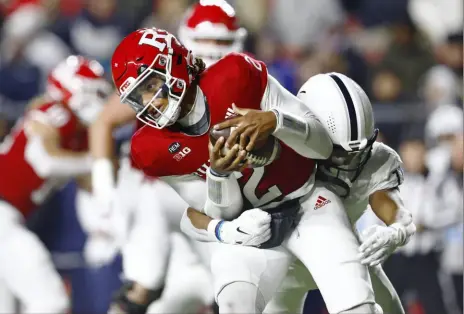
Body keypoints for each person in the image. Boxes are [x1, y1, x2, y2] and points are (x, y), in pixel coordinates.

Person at [112, 27, 384, 314]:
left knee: (357, 306)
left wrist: (275, 121)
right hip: (253, 231)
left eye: (152, 84)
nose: (150, 101)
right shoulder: (151, 148)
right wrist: (219, 174)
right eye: (139, 95)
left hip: (309, 202)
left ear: (175, 63)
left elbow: (321, 147)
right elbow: (221, 213)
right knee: (233, 305)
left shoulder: (236, 75)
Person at [88, 2, 250, 312]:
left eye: (221, 43)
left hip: (209, 192)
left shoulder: (244, 76)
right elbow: (104, 121)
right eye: (205, 42)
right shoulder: (164, 75)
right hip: (158, 187)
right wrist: (106, 197)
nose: (212, 51)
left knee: (213, 287)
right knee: (149, 286)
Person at [263, 74, 416, 314]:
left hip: (349, 254)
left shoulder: (373, 158)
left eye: (359, 151)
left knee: (391, 310)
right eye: (339, 153)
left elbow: (392, 207)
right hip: (284, 267)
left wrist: (395, 231)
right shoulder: (281, 156)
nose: (351, 161)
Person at [0, 55, 110, 313]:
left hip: (10, 216)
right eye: (94, 92)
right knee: (51, 301)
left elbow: (96, 187)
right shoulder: (56, 111)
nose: (99, 101)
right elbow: (45, 162)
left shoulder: (77, 135)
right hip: (3, 216)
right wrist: (98, 162)